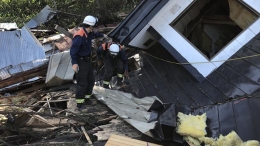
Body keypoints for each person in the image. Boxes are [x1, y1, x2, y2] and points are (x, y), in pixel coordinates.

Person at [70, 15, 107, 110]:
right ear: (90, 26)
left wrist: (103, 35)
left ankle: (87, 98)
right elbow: (73, 51)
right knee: (82, 82)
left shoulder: (88, 33)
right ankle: (80, 103)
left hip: (87, 60)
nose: (94, 28)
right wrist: (74, 63)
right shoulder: (80, 36)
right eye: (94, 26)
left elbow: (95, 35)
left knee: (91, 80)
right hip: (80, 61)